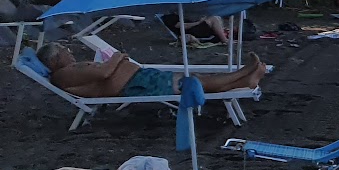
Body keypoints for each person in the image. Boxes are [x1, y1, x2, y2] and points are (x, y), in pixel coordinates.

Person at [38, 43, 268, 99]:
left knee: (196, 81)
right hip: (136, 85)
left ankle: (246, 81)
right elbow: (104, 74)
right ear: (56, 58)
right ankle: (246, 73)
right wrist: (118, 57)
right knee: (194, 84)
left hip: (139, 79)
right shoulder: (63, 74)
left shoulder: (67, 71)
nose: (70, 51)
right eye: (65, 49)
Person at [160, 12, 228, 44]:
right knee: (214, 19)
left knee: (217, 18)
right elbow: (180, 26)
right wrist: (198, 22)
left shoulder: (176, 14)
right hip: (189, 31)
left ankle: (223, 35)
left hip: (193, 29)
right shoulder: (169, 17)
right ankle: (224, 40)